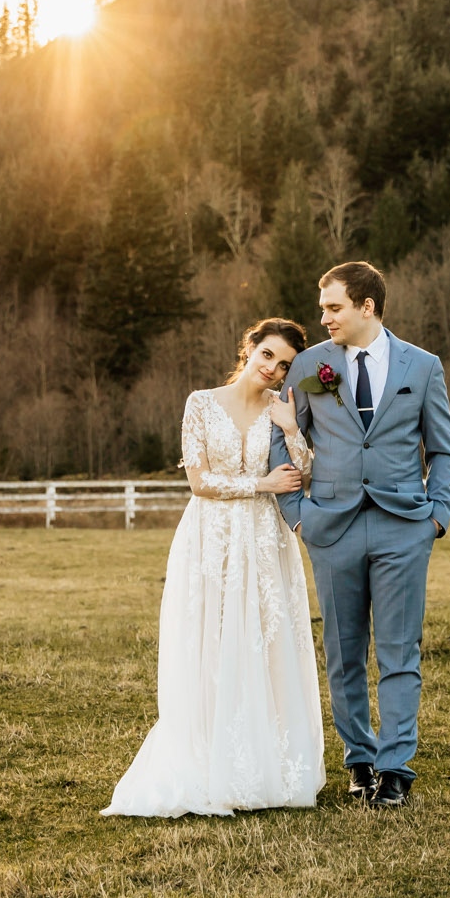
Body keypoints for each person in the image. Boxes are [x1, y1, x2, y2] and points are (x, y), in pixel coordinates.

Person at [103, 318, 327, 817]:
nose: (273, 368)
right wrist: (261, 486)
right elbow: (200, 482)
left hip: (266, 541)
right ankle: (208, 760)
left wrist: (292, 429)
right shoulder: (201, 403)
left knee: (267, 642)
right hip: (212, 538)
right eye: (267, 355)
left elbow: (304, 473)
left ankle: (267, 762)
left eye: (285, 364)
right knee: (213, 638)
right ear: (248, 348)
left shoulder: (282, 410)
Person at [270, 261, 450, 808]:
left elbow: (443, 450)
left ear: (367, 306)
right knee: (345, 653)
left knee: (401, 652)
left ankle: (396, 768)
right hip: (331, 527)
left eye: (333, 307)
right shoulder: (311, 366)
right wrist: (296, 513)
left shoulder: (422, 367)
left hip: (405, 528)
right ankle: (360, 760)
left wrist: (436, 515)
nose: (323, 317)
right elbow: (284, 436)